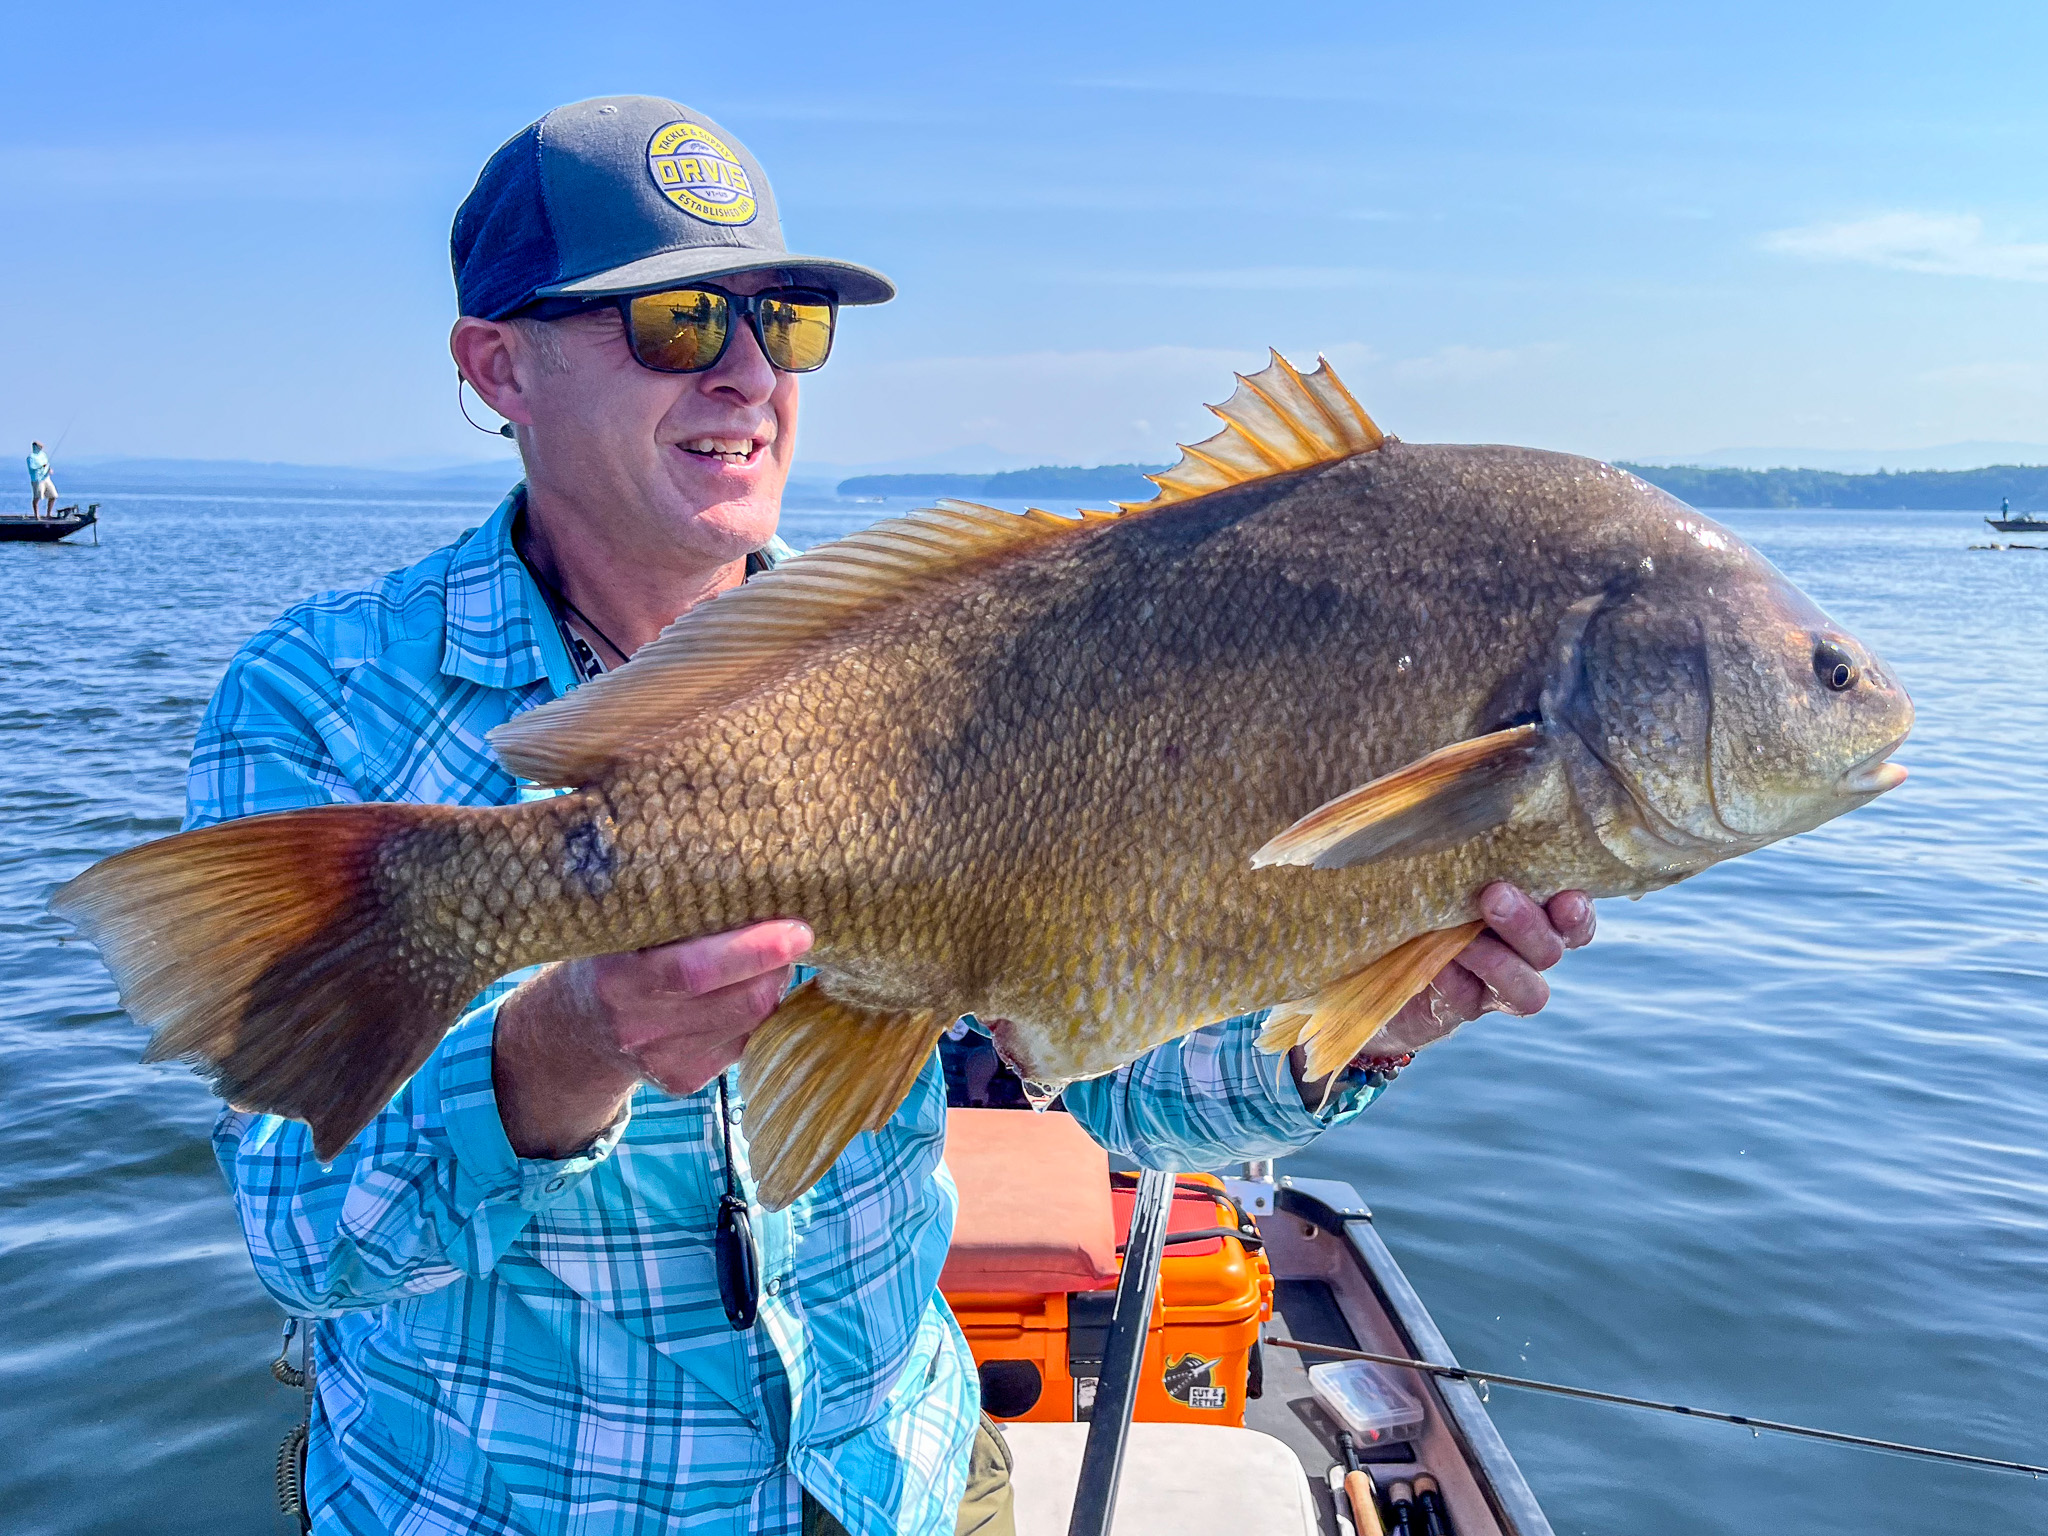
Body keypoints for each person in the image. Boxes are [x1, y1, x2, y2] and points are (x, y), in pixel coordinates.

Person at [188, 96, 1596, 1536]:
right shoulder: (323, 703)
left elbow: (1122, 1085)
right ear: (500, 365)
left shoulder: (967, 651)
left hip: (898, 1486)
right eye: (678, 323)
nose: (749, 373)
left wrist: (1374, 1021)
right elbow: (304, 1241)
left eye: (785, 322)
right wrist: (569, 1046)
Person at [27, 439, 55, 516]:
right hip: (37, 479)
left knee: (53, 495)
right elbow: (32, 467)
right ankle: (37, 515)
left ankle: (48, 514)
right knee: (37, 497)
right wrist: (41, 466)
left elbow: (47, 464)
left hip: (46, 478)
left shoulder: (43, 455)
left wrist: (49, 469)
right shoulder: (31, 457)